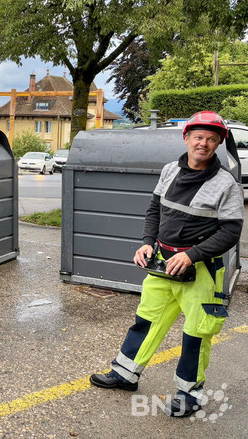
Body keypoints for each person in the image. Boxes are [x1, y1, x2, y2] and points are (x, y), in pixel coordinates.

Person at [89, 112, 243, 417]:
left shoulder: (226, 184)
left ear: (219, 143)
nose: (204, 143)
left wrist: (192, 255)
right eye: (198, 137)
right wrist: (148, 241)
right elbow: (155, 209)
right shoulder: (170, 170)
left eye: (212, 139)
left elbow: (231, 231)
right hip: (162, 262)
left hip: (202, 270)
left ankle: (190, 395)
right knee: (147, 319)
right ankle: (125, 374)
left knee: (196, 333)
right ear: (186, 138)